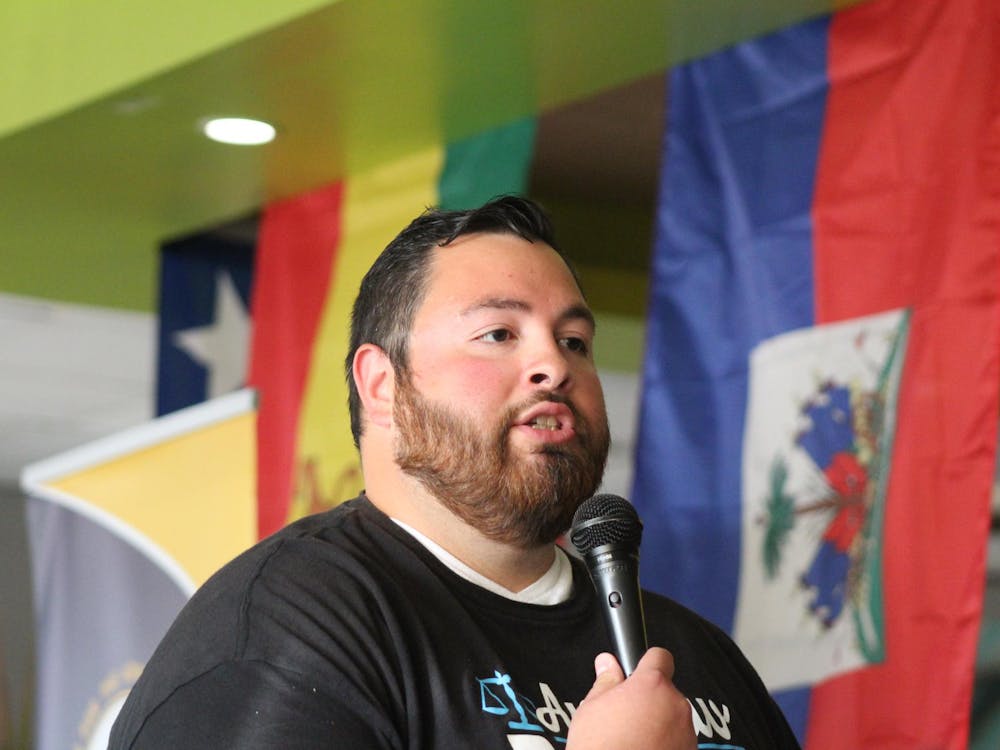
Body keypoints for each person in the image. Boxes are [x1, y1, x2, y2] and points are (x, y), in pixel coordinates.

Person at [109, 196, 800, 749]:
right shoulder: (280, 634)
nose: (554, 366)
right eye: (499, 333)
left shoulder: (690, 654)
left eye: (574, 341)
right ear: (382, 385)